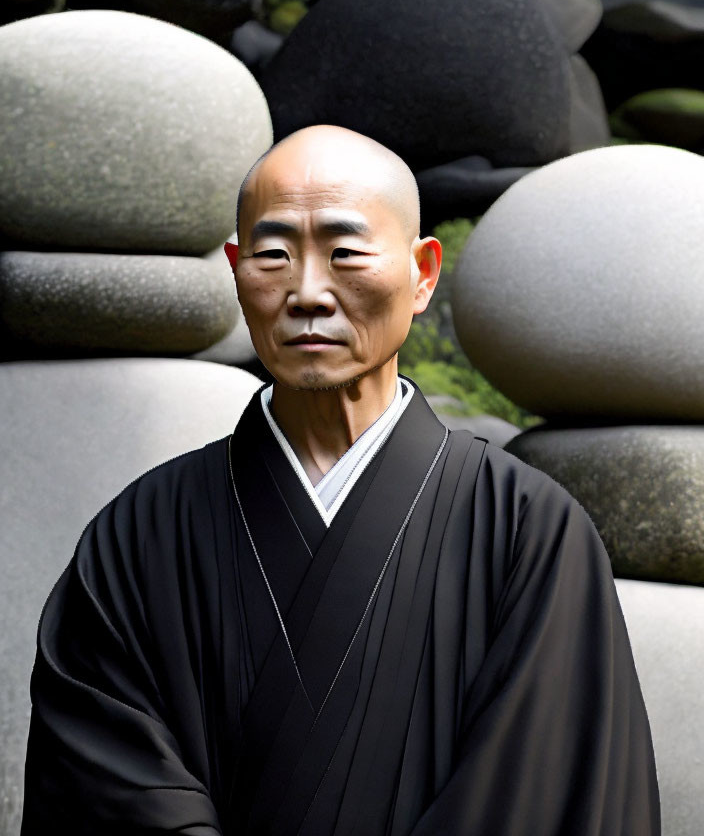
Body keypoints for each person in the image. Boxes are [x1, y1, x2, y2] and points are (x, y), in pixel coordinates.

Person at [21, 125, 660, 835]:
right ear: (234, 269)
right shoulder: (139, 535)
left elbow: (542, 788)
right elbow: (100, 782)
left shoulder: (527, 531)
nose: (308, 293)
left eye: (345, 252)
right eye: (272, 255)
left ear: (422, 274)